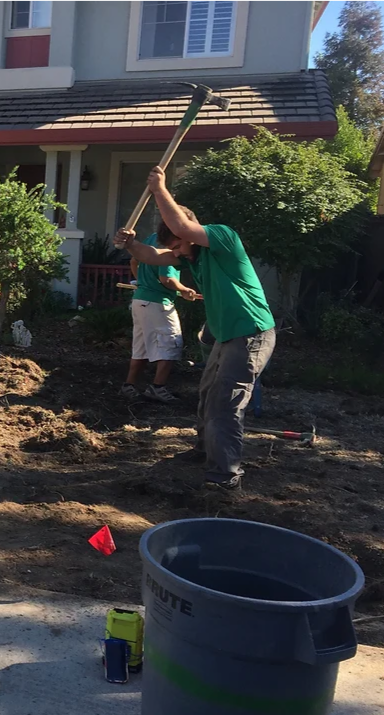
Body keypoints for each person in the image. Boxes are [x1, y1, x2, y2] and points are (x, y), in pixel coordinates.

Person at [114, 166, 276, 491]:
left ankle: (225, 478)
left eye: (178, 245)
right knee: (207, 395)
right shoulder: (190, 258)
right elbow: (152, 255)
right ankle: (204, 452)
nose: (175, 253)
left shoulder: (222, 237)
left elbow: (181, 225)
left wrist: (159, 188)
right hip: (225, 335)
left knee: (225, 402)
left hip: (250, 332)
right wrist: (130, 246)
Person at [121, 232, 201, 403]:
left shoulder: (151, 238)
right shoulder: (171, 245)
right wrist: (184, 290)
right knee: (171, 343)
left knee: (140, 347)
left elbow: (133, 261)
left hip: (140, 299)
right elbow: (167, 279)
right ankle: (157, 387)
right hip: (158, 303)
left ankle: (129, 385)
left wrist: (144, 283)